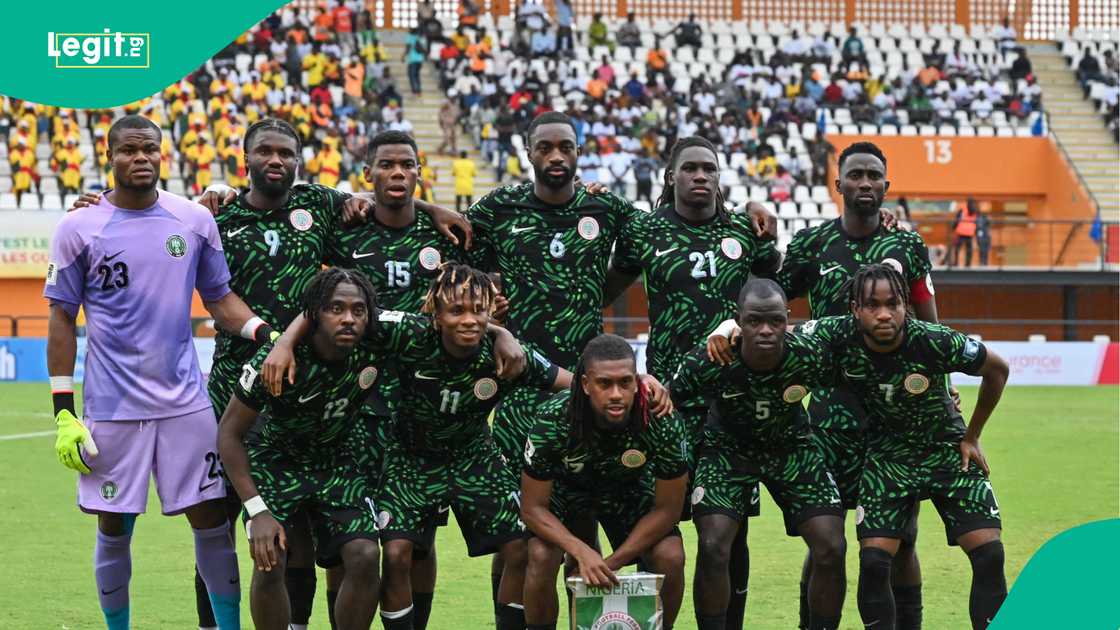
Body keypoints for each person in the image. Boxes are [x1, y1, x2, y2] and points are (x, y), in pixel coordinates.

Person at [45, 115, 276, 630]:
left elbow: (219, 297)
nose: (141, 158)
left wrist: (265, 333)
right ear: (109, 156)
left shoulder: (193, 220)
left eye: (149, 149)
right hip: (111, 410)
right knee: (113, 527)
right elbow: (61, 315)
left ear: (162, 153)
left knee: (213, 522)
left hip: (185, 406)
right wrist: (64, 413)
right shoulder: (78, 227)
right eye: (129, 150)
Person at [713, 141, 940, 630]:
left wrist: (939, 390)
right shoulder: (812, 245)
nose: (864, 184)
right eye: (854, 175)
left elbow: (929, 327)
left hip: (895, 417)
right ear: (837, 185)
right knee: (826, 540)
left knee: (903, 536)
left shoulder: (908, 245)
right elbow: (767, 300)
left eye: (873, 176)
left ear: (886, 185)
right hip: (830, 418)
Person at [265, 264, 545, 630]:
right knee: (395, 554)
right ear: (434, 313)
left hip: (473, 456)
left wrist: (501, 332)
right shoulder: (406, 331)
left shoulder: (505, 353)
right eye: (456, 310)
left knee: (520, 546)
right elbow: (328, 308)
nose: (469, 319)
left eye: (479, 310)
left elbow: (570, 382)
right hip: (408, 457)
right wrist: (285, 342)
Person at [605, 136, 781, 630]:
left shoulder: (745, 232)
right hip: (665, 402)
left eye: (709, 168)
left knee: (728, 533)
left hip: (732, 402)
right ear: (671, 176)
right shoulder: (644, 231)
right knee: (654, 525)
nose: (700, 176)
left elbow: (776, 292)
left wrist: (760, 214)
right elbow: (598, 292)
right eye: (690, 168)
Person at [801, 264, 1010, 630]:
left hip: (946, 448)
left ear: (905, 306)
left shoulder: (933, 339)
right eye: (872, 305)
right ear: (855, 309)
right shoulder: (836, 333)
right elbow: (780, 333)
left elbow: (998, 368)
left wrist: (972, 435)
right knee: (874, 563)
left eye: (893, 303)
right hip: (888, 455)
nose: (884, 313)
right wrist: (730, 327)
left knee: (989, 554)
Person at [217, 268, 386, 630]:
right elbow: (228, 435)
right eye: (336, 309)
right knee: (270, 556)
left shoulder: (379, 340)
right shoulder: (274, 359)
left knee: (365, 554)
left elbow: (432, 327)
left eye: (358, 310)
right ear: (314, 314)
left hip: (338, 459)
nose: (348, 319)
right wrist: (256, 510)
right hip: (277, 460)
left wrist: (498, 333)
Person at [673, 279, 846, 630]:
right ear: (739, 320)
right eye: (754, 321)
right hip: (728, 450)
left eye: (774, 322)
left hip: (792, 448)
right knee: (713, 545)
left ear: (787, 319)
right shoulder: (713, 357)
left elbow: (860, 365)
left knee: (831, 545)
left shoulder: (809, 354)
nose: (765, 330)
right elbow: (667, 399)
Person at [521, 334, 689, 630]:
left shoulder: (661, 417)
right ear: (585, 384)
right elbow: (533, 508)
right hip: (567, 491)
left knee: (671, 555)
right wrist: (581, 551)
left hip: (629, 490)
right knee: (540, 554)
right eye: (604, 384)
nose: (616, 394)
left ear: (637, 381)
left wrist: (610, 563)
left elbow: (668, 509)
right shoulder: (554, 418)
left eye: (625, 382)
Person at [952, 198, 979, 268]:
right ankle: (968, 264)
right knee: (969, 249)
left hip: (961, 232)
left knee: (957, 248)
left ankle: (956, 263)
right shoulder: (976, 212)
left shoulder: (962, 211)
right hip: (970, 233)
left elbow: (956, 220)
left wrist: (953, 228)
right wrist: (976, 232)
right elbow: (977, 223)